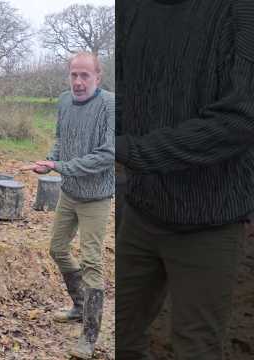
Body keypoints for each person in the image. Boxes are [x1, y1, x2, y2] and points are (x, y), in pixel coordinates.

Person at [115, 1, 254, 359]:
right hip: (140, 210)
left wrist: (132, 151)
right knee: (120, 333)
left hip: (209, 221)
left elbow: (239, 120)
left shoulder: (240, 11)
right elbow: (124, 91)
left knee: (196, 347)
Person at [22, 51, 115, 359]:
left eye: (85, 75)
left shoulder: (110, 105)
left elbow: (107, 155)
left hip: (96, 197)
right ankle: (78, 305)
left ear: (98, 77)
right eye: (74, 75)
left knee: (91, 261)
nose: (78, 81)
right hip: (69, 192)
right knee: (58, 249)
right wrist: (48, 162)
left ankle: (89, 336)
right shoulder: (63, 101)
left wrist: (61, 166)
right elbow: (61, 141)